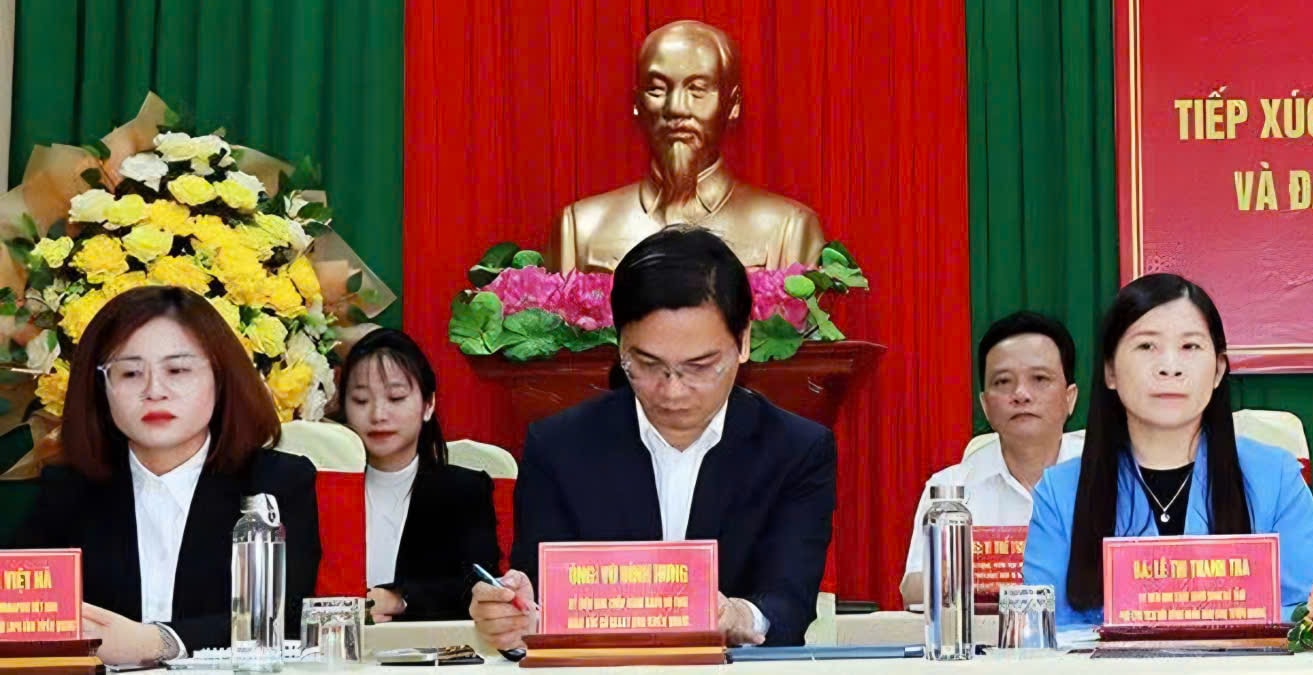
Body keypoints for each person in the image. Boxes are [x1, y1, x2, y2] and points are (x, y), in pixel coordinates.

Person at [470, 226, 836, 651]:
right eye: (646, 364)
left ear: (743, 342)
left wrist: (738, 616)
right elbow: (537, 596)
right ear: (620, 345)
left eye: (700, 366)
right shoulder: (559, 447)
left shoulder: (795, 450)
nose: (672, 390)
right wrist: (512, 617)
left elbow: (788, 604)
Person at [9, 287, 321, 664]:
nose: (154, 391)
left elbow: (285, 618)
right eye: (130, 373)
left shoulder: (275, 482)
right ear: (100, 388)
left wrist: (159, 642)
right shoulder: (68, 489)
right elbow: (20, 613)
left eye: (178, 370)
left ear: (220, 379)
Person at [1023, 275, 1313, 627]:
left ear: (1218, 370)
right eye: (1146, 346)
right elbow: (1041, 632)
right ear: (1110, 371)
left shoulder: (1275, 478)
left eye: (1190, 346)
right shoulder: (1060, 493)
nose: (1170, 366)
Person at [557, 20, 825, 271]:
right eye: (657, 89)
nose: (676, 108)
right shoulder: (580, 229)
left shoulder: (788, 229)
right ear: (637, 103)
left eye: (697, 89)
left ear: (732, 104)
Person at [899, 311, 1086, 605]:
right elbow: (912, 590)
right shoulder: (950, 489)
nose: (1021, 394)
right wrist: (969, 575)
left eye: (1039, 379)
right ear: (985, 405)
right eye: (1003, 381)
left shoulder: (1112, 477)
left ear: (1070, 398)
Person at [333, 327, 502, 622]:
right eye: (361, 400)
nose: (378, 415)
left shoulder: (464, 490)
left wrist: (401, 600)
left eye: (396, 398)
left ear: (428, 404)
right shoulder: (323, 489)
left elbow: (479, 586)